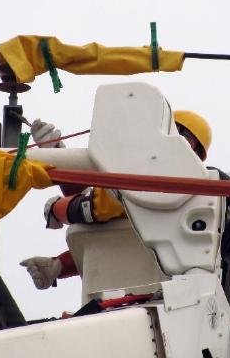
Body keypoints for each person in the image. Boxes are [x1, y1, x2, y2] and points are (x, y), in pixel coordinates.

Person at [20, 111, 214, 290]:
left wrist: (57, 208)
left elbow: (99, 207)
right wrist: (59, 265)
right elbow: (114, 229)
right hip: (140, 284)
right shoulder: (193, 191)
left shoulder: (162, 182)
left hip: (151, 288)